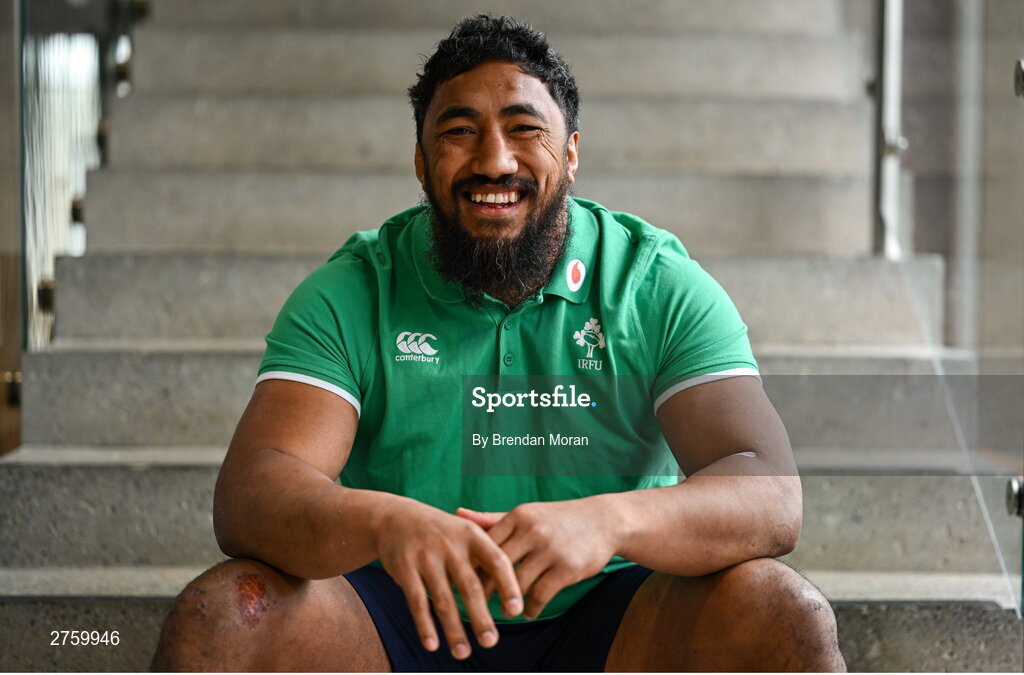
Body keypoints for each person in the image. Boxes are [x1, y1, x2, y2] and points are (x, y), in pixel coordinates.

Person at [152, 15, 845, 672]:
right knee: (223, 615)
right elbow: (251, 492)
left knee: (783, 611)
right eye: (459, 131)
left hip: (614, 619)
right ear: (422, 164)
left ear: (570, 154)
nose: (493, 160)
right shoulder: (355, 288)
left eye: (524, 128)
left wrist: (608, 522)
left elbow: (770, 491)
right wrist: (386, 522)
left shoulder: (653, 283)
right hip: (392, 618)